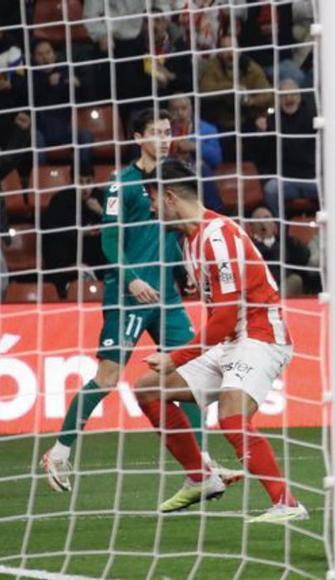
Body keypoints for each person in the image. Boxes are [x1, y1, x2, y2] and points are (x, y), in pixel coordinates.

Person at [41, 110, 240, 494]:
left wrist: (188, 274)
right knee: (108, 377)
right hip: (128, 293)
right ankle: (59, 452)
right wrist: (131, 279)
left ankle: (201, 465)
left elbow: (181, 233)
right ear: (137, 137)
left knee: (194, 372)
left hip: (164, 294)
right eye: (156, 132)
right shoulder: (122, 184)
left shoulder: (174, 180)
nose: (165, 138)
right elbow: (109, 241)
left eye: (168, 132)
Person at [132, 159, 304, 522]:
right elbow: (220, 318)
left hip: (261, 335)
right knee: (148, 389)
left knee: (231, 416)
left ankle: (287, 504)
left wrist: (176, 357)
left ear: (169, 197)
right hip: (230, 340)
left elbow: (225, 315)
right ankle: (201, 476)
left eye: (152, 199)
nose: (150, 208)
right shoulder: (188, 242)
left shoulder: (218, 237)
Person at [31, 40, 95, 178]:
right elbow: (29, 97)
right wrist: (46, 83)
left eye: (48, 53)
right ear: (35, 58)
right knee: (36, 140)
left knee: (85, 136)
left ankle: (79, 175)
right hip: (40, 130)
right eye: (40, 54)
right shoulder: (31, 77)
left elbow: (86, 91)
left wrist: (76, 82)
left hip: (62, 130)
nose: (45, 57)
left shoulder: (65, 73)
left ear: (54, 55)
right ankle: (41, 179)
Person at [261, 79, 320, 217]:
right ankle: (280, 228)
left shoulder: (313, 117)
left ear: (299, 97)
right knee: (270, 189)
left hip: (311, 178)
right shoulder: (271, 121)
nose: (289, 99)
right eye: (284, 96)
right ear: (278, 99)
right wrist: (262, 133)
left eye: (292, 95)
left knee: (332, 188)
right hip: (285, 179)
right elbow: (264, 154)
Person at [198, 34, 274, 135]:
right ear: (220, 53)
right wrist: (230, 88)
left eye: (233, 48)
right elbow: (204, 90)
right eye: (225, 49)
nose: (230, 53)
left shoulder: (251, 68)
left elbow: (268, 94)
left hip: (246, 118)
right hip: (219, 119)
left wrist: (250, 101)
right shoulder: (213, 66)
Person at [166, 94, 223, 211]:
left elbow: (217, 159)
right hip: (170, 171)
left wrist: (196, 147)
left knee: (200, 167)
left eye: (183, 108)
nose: (180, 113)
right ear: (169, 111)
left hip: (197, 173)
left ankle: (216, 211)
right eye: (175, 109)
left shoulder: (208, 129)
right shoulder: (163, 130)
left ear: (191, 108)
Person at [247, 206, 312, 296]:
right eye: (258, 219)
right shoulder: (248, 246)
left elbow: (304, 258)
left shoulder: (287, 242)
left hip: (285, 284)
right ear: (251, 227)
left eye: (266, 218)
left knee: (295, 280)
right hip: (260, 286)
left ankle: (276, 301)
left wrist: (293, 243)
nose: (262, 223)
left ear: (274, 225)